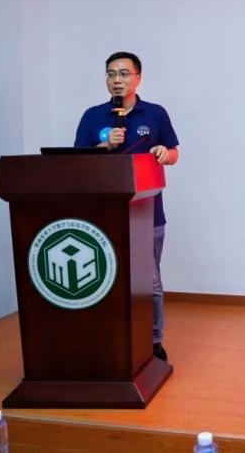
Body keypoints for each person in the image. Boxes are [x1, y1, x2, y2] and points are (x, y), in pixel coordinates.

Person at [74, 51, 179, 362]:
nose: (116, 80)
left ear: (138, 78)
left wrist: (164, 153)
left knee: (150, 282)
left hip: (148, 213)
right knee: (107, 279)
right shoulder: (93, 116)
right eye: (110, 74)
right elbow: (76, 161)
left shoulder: (156, 114)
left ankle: (153, 342)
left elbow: (174, 153)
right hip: (103, 214)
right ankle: (110, 337)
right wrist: (104, 145)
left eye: (123, 73)